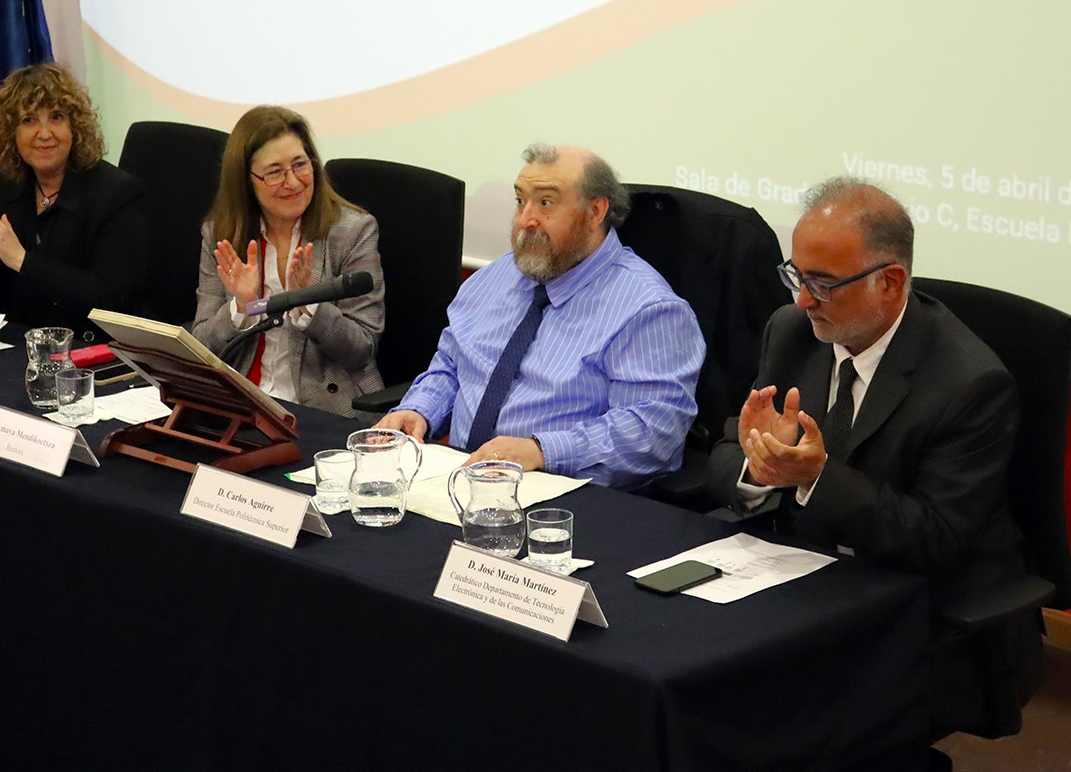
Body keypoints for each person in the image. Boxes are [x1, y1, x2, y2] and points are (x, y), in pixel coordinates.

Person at [706, 177, 1041, 754]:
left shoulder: (969, 384)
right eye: (796, 276)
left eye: (823, 284)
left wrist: (814, 479)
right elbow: (726, 453)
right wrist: (758, 470)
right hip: (801, 580)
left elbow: (934, 539)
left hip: (918, 607)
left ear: (891, 282)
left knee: (759, 723)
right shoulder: (793, 333)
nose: (802, 300)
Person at [377, 144, 704, 490]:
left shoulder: (649, 309)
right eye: (521, 201)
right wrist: (420, 410)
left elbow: (652, 433)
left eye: (545, 203)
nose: (525, 220)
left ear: (595, 212)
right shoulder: (497, 277)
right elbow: (452, 365)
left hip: (564, 500)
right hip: (458, 480)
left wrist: (541, 452)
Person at [191, 105, 383, 417]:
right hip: (242, 402)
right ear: (246, 179)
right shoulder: (221, 234)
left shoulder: (352, 232)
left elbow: (362, 349)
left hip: (324, 406)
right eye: (275, 172)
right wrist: (240, 306)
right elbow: (202, 346)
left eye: (300, 165)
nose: (293, 182)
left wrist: (309, 304)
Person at [0, 62, 148, 340]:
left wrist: (22, 260)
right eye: (29, 120)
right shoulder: (1, 185)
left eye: (56, 117)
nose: (44, 133)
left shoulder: (117, 193)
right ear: (12, 133)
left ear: (76, 127)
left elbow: (112, 300)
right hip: (19, 345)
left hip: (88, 352)